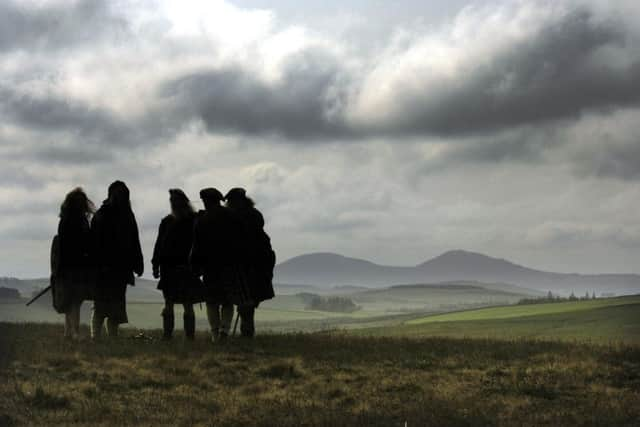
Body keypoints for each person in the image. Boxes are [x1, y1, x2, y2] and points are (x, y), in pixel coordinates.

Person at [90, 181, 143, 339]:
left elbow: (134, 240)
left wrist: (137, 263)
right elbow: (94, 245)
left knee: (115, 307)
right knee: (101, 306)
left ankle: (110, 337)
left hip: (119, 269)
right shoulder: (102, 215)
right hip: (105, 270)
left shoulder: (124, 215)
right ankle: (96, 338)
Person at [225, 188, 275, 338]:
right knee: (249, 301)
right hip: (258, 264)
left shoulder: (238, 218)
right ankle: (247, 332)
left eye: (230, 201)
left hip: (246, 264)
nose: (229, 204)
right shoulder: (254, 216)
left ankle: (246, 333)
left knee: (245, 301)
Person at [152, 189, 201, 340]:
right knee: (169, 303)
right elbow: (159, 245)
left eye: (175, 200)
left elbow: (199, 244)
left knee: (187, 304)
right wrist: (155, 264)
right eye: (172, 201)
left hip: (186, 268)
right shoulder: (167, 222)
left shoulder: (194, 220)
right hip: (170, 268)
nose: (174, 203)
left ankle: (188, 336)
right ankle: (168, 335)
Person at [190, 188, 236, 342]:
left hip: (210, 266)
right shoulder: (231, 216)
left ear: (207, 201)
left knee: (212, 301)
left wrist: (194, 265)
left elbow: (196, 245)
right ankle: (224, 330)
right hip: (229, 264)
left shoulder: (202, 219)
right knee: (228, 301)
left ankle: (215, 334)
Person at [56, 188, 94, 340]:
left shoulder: (69, 220)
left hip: (74, 266)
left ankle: (68, 332)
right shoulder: (69, 221)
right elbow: (65, 246)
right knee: (74, 300)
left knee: (72, 300)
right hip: (72, 266)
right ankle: (74, 332)